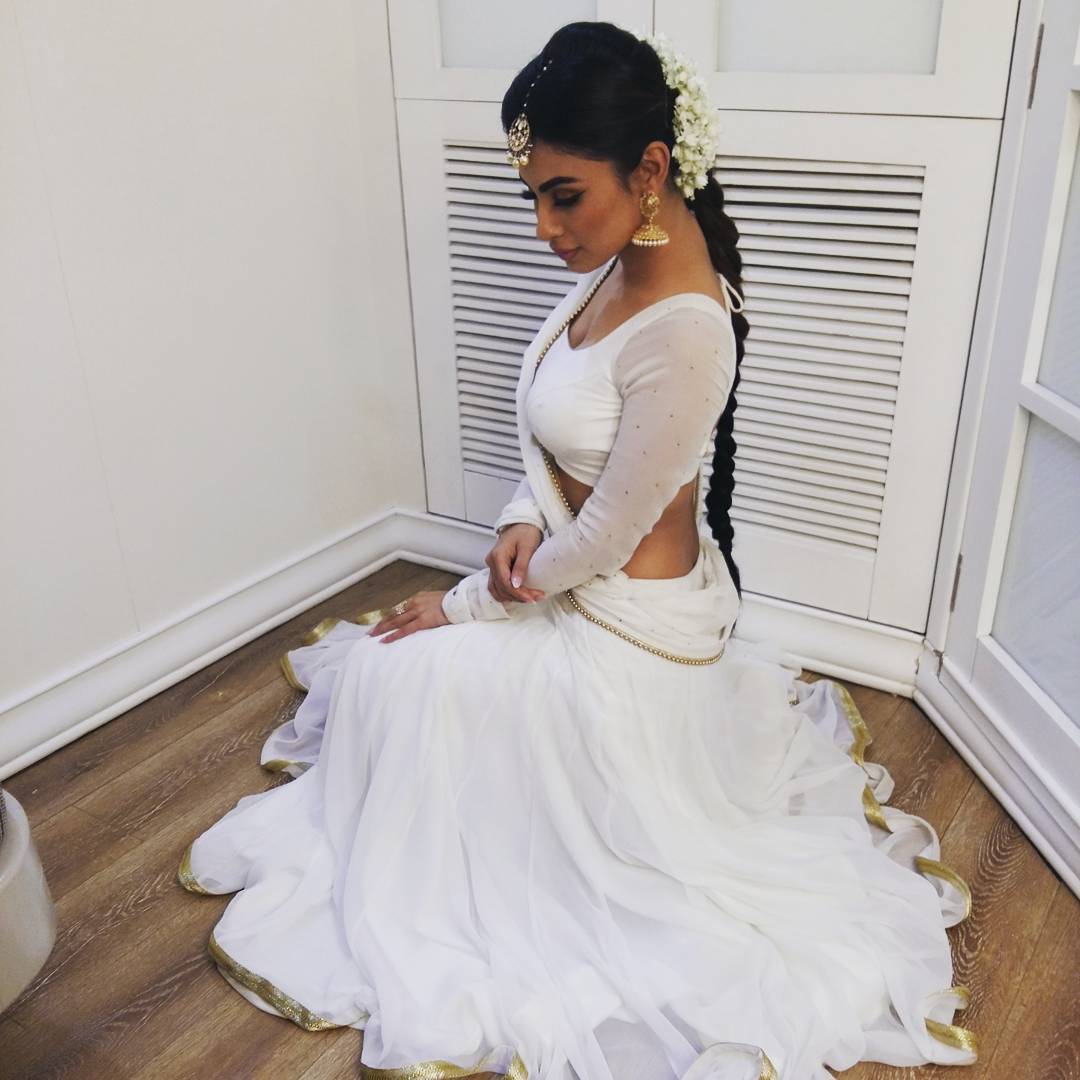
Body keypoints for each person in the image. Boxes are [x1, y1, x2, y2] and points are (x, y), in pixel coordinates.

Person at [178, 22, 977, 1080]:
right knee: (382, 676)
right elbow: (559, 435)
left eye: (564, 197)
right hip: (567, 581)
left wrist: (465, 602)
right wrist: (518, 515)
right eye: (534, 199)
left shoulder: (685, 330)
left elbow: (604, 535)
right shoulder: (617, 264)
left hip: (623, 633)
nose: (545, 228)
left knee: (396, 680)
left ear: (650, 170)